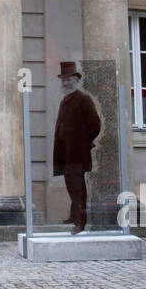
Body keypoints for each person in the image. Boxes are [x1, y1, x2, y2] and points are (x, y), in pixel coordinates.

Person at [52, 61, 101, 235]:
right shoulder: (65, 100)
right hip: (65, 153)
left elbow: (95, 124)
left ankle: (80, 222)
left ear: (76, 80)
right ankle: (74, 216)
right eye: (63, 80)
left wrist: (83, 143)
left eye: (68, 80)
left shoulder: (83, 99)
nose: (65, 83)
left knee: (77, 187)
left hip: (77, 153)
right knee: (71, 185)